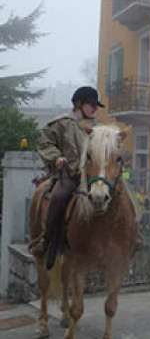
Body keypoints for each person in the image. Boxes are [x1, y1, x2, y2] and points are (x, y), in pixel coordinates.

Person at [30, 86, 104, 259]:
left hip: (95, 176)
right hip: (70, 176)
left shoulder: (100, 129)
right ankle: (46, 240)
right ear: (79, 105)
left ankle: (134, 237)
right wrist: (57, 157)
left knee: (122, 191)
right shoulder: (61, 124)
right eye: (91, 104)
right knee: (58, 196)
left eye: (96, 105)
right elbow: (44, 143)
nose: (95, 109)